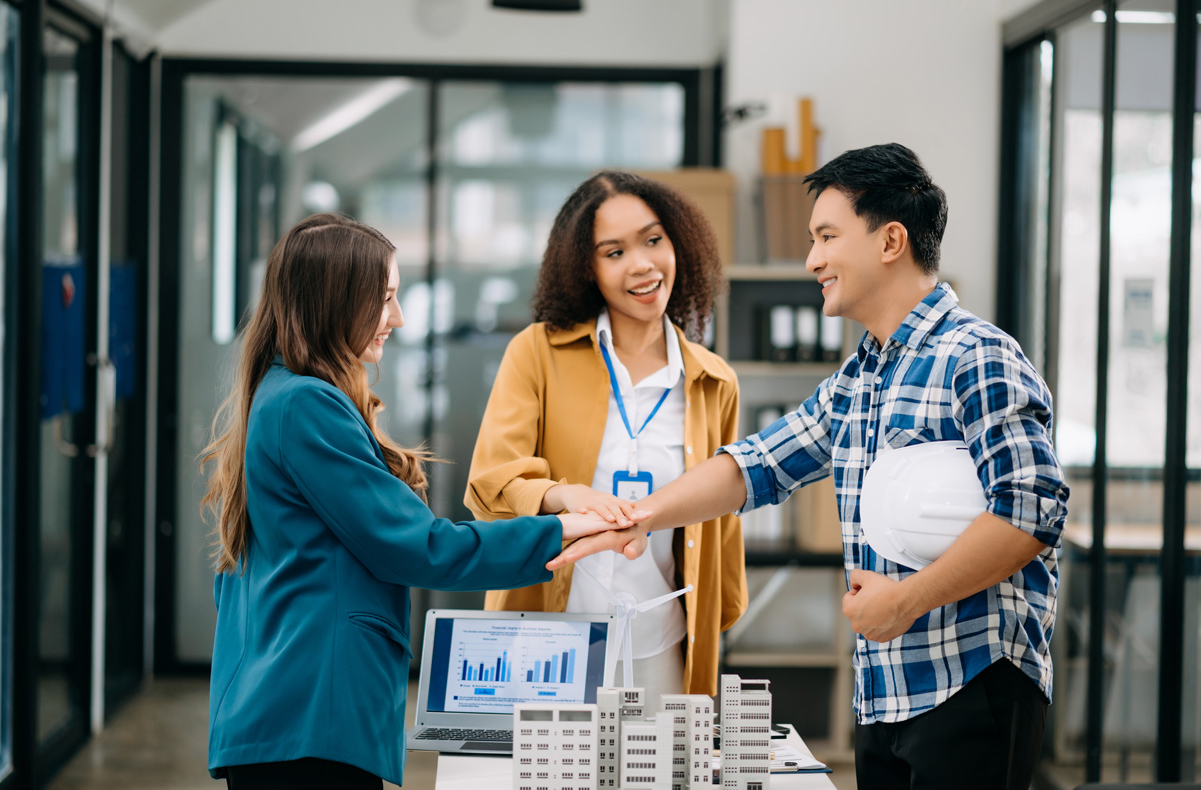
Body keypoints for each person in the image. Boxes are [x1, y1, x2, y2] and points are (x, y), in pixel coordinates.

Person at [551, 144, 1071, 790]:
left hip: (970, 679)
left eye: (826, 236)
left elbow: (1030, 515)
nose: (812, 259)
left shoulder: (977, 355)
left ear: (889, 241)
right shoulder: (861, 376)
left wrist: (905, 602)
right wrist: (641, 517)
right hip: (884, 691)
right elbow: (754, 467)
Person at [200, 213, 631, 790]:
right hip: (309, 716)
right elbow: (418, 548)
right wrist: (561, 529)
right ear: (334, 301)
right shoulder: (306, 406)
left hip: (293, 711)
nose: (397, 319)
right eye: (384, 299)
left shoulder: (283, 396)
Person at [465, 171, 747, 704]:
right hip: (546, 640)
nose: (641, 264)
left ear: (677, 243)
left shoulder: (714, 381)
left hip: (662, 642)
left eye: (653, 240)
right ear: (587, 269)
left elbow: (723, 520)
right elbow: (493, 480)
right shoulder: (537, 353)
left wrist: (718, 612)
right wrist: (563, 495)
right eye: (613, 252)